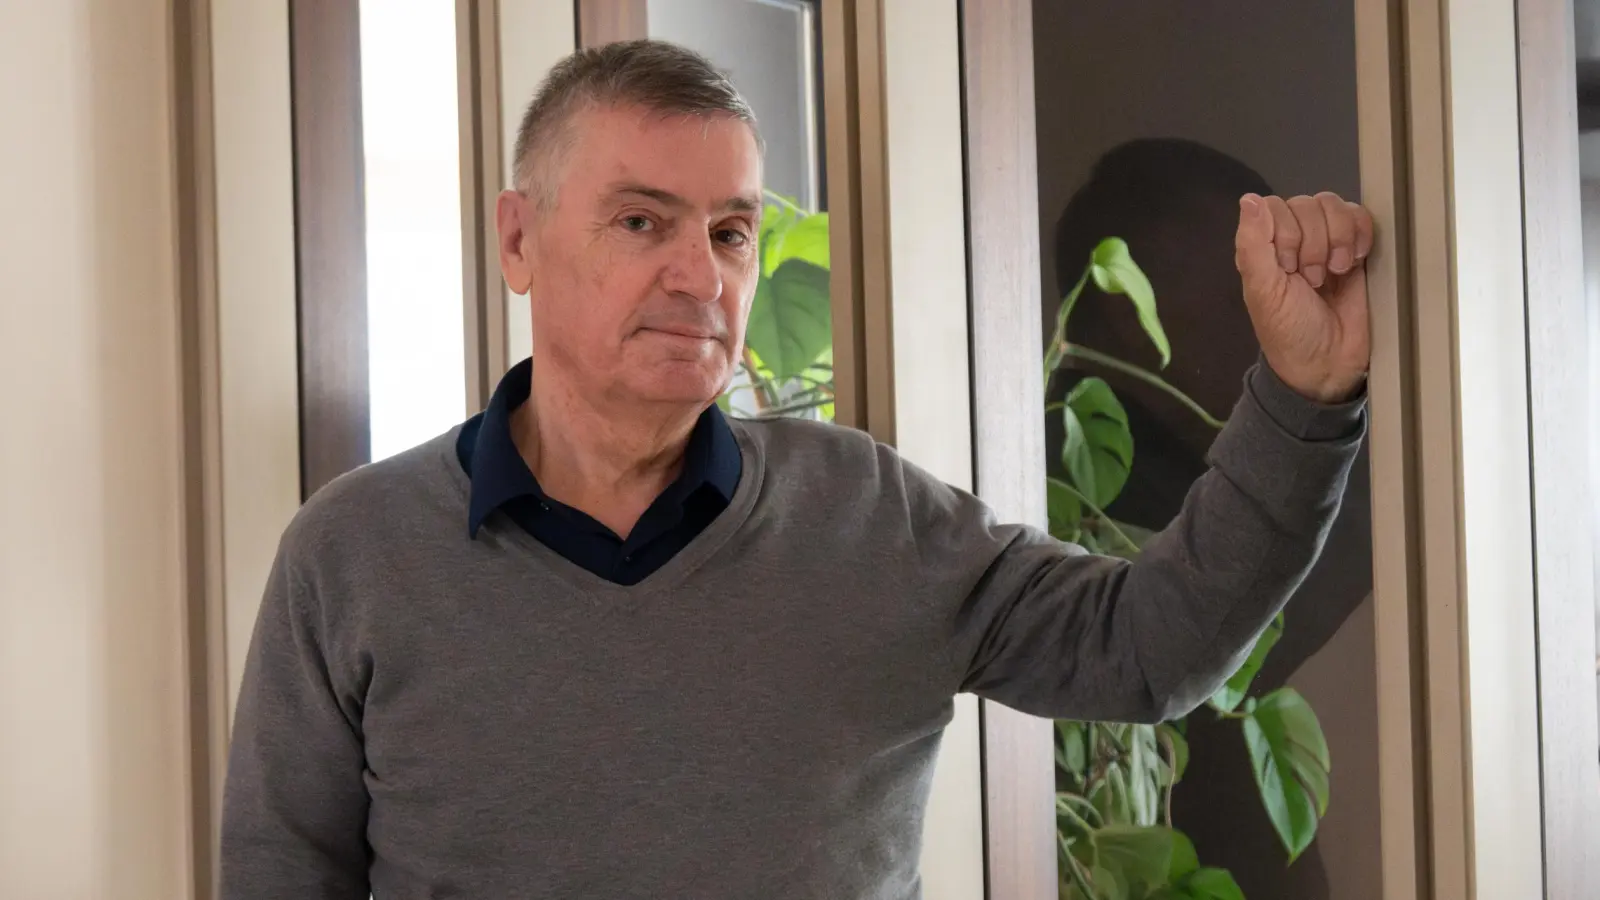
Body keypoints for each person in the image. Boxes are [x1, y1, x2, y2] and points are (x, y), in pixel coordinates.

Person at [220, 40, 1375, 899]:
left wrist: (1304, 395)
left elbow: (1149, 648)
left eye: (729, 232)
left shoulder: (870, 516)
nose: (699, 276)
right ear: (520, 239)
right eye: (641, 222)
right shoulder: (352, 554)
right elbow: (280, 877)